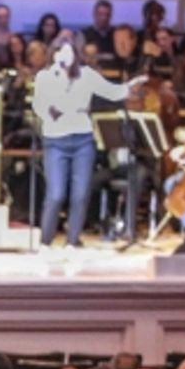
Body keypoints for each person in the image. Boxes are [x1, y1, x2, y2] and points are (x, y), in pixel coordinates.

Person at [32, 37, 145, 248]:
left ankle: (72, 240)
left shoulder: (86, 75)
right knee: (56, 194)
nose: (65, 57)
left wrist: (130, 87)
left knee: (81, 193)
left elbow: (112, 92)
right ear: (53, 54)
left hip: (82, 139)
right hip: (55, 141)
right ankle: (45, 240)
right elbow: (38, 105)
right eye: (60, 52)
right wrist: (51, 111)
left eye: (69, 52)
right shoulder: (45, 77)